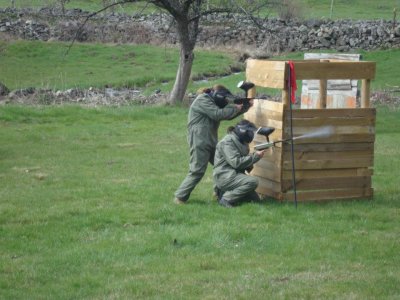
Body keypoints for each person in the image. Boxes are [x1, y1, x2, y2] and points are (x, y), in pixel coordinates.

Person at [174, 84, 250, 204]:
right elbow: (217, 114)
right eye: (224, 99)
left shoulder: (211, 101)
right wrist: (236, 107)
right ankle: (180, 197)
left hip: (210, 139)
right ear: (218, 95)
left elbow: (225, 115)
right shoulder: (203, 100)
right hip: (199, 141)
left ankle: (218, 192)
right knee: (197, 170)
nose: (225, 101)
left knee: (224, 165)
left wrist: (244, 107)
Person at [213, 119, 266, 208]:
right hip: (224, 176)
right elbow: (236, 162)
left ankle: (223, 193)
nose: (251, 135)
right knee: (253, 182)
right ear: (242, 131)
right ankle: (226, 198)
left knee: (255, 200)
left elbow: (243, 161)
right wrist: (255, 156)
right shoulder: (227, 142)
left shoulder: (240, 141)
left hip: (234, 175)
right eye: (249, 132)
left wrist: (254, 155)